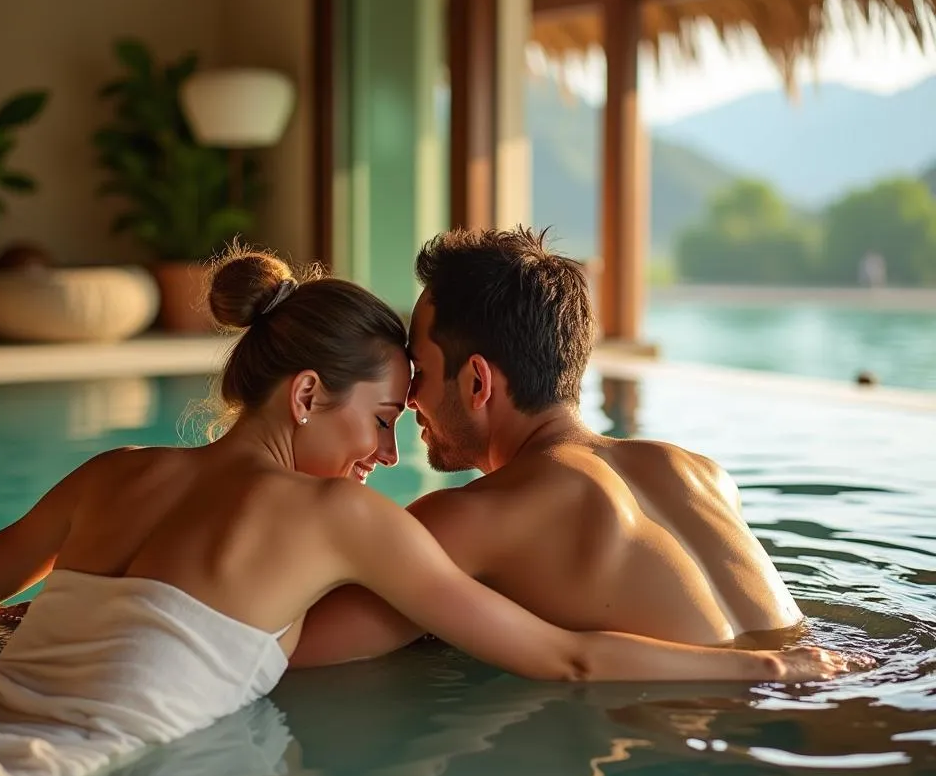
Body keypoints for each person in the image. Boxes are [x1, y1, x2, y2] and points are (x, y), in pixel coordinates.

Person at [0, 247, 849, 776]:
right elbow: (565, 657)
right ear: (310, 396)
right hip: (781, 731)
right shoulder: (693, 469)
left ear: (477, 381)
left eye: (418, 393)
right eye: (387, 414)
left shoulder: (112, 471)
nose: (393, 449)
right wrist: (779, 672)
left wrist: (37, 623)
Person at [292, 228, 820, 667]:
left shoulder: (476, 517)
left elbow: (289, 653)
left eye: (421, 373)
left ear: (478, 383)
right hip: (827, 683)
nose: (408, 400)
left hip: (688, 743)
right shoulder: (701, 473)